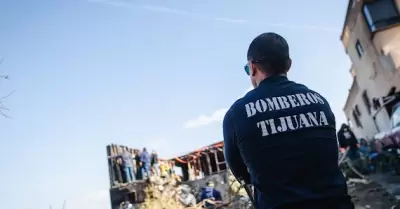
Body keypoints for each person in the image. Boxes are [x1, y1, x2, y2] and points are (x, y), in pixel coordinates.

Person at [223, 32, 354, 209]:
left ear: (253, 67)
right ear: (289, 65)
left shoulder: (236, 113)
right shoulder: (320, 102)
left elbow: (239, 171)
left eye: (248, 69)